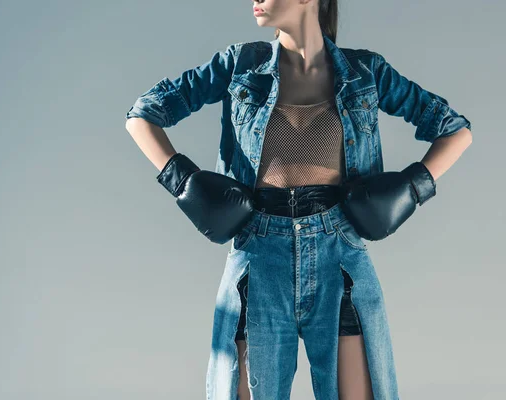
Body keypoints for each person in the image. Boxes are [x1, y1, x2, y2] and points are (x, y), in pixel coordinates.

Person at [125, 0, 473, 398]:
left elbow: (454, 129)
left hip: (338, 257)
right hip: (258, 257)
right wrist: (182, 182)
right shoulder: (238, 64)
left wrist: (413, 188)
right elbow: (143, 114)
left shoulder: (366, 72)